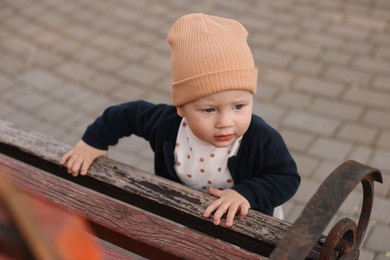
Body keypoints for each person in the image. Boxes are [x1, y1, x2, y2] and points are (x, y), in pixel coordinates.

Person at [60, 13, 300, 227]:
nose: (225, 121)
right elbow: (125, 115)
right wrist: (93, 142)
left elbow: (286, 177)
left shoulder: (261, 138)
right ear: (182, 108)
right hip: (189, 218)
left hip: (248, 225)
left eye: (239, 106)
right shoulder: (166, 126)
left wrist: (246, 194)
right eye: (209, 110)